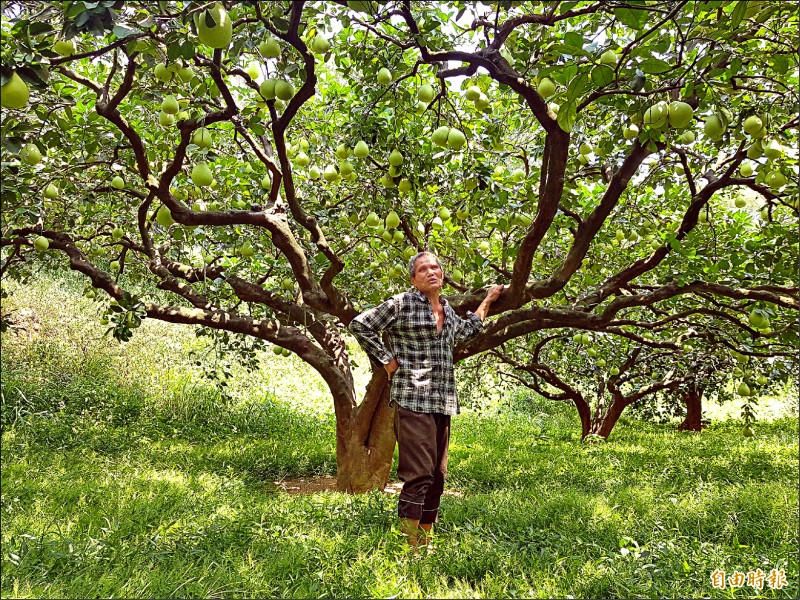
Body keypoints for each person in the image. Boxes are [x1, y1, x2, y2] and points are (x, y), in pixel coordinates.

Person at [349, 251, 504, 550]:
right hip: (412, 397)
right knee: (419, 474)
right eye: (423, 269)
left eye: (436, 267)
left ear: (442, 274)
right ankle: (410, 545)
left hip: (442, 401)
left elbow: (470, 329)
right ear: (413, 278)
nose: (431, 272)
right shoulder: (401, 304)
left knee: (437, 476)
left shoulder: (447, 309)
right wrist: (386, 359)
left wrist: (488, 301)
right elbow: (360, 324)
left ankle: (426, 539)